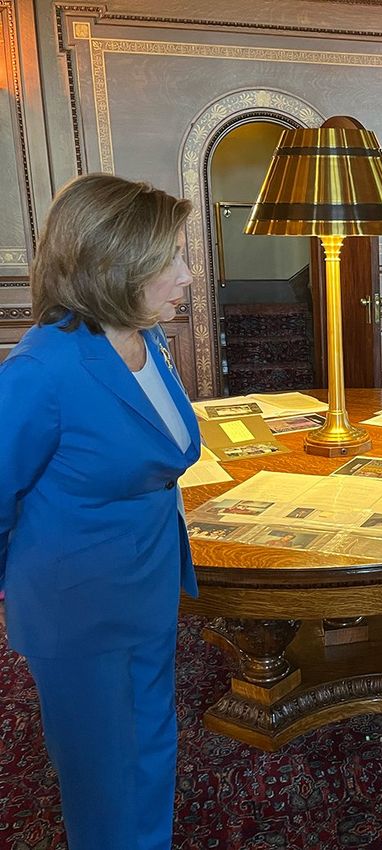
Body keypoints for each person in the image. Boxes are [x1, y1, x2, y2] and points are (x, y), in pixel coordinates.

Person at [0, 173, 200, 850]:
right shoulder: (42, 370)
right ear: (112, 265)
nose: (187, 275)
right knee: (105, 777)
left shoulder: (148, 339)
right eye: (171, 258)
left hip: (144, 587)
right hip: (80, 608)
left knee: (148, 748)